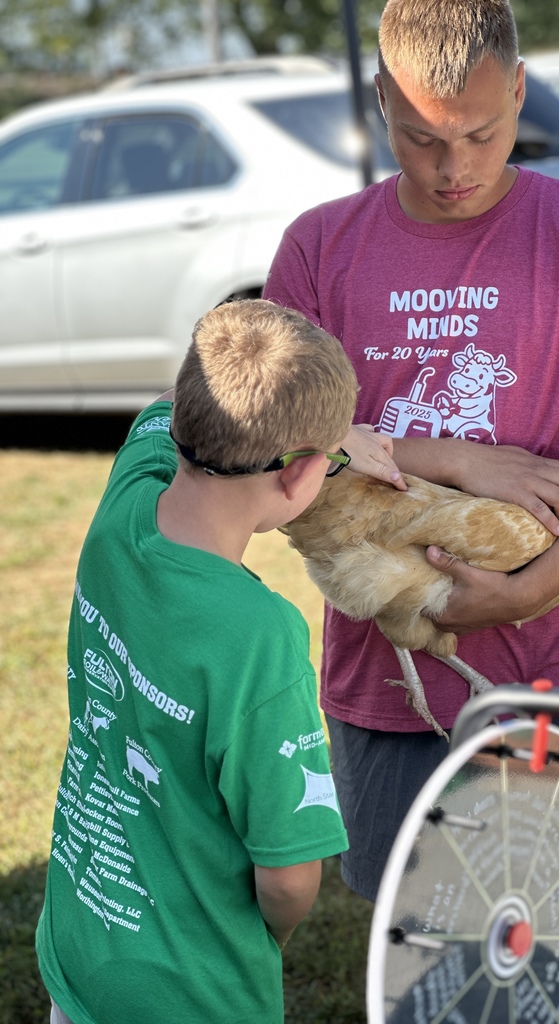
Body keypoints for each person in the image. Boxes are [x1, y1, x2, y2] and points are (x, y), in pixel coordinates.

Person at [263, 0, 559, 914]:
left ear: (522, 92)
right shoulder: (319, 247)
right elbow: (279, 459)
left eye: (481, 134)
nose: (452, 168)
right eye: (419, 138)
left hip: (557, 659)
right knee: (416, 942)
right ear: (379, 100)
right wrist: (454, 457)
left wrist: (532, 589)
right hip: (388, 673)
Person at [35, 299, 403, 1024]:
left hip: (84, 948)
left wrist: (328, 439)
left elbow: (165, 408)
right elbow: (291, 876)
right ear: (301, 477)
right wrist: (263, 934)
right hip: (193, 995)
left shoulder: (128, 499)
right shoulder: (258, 635)